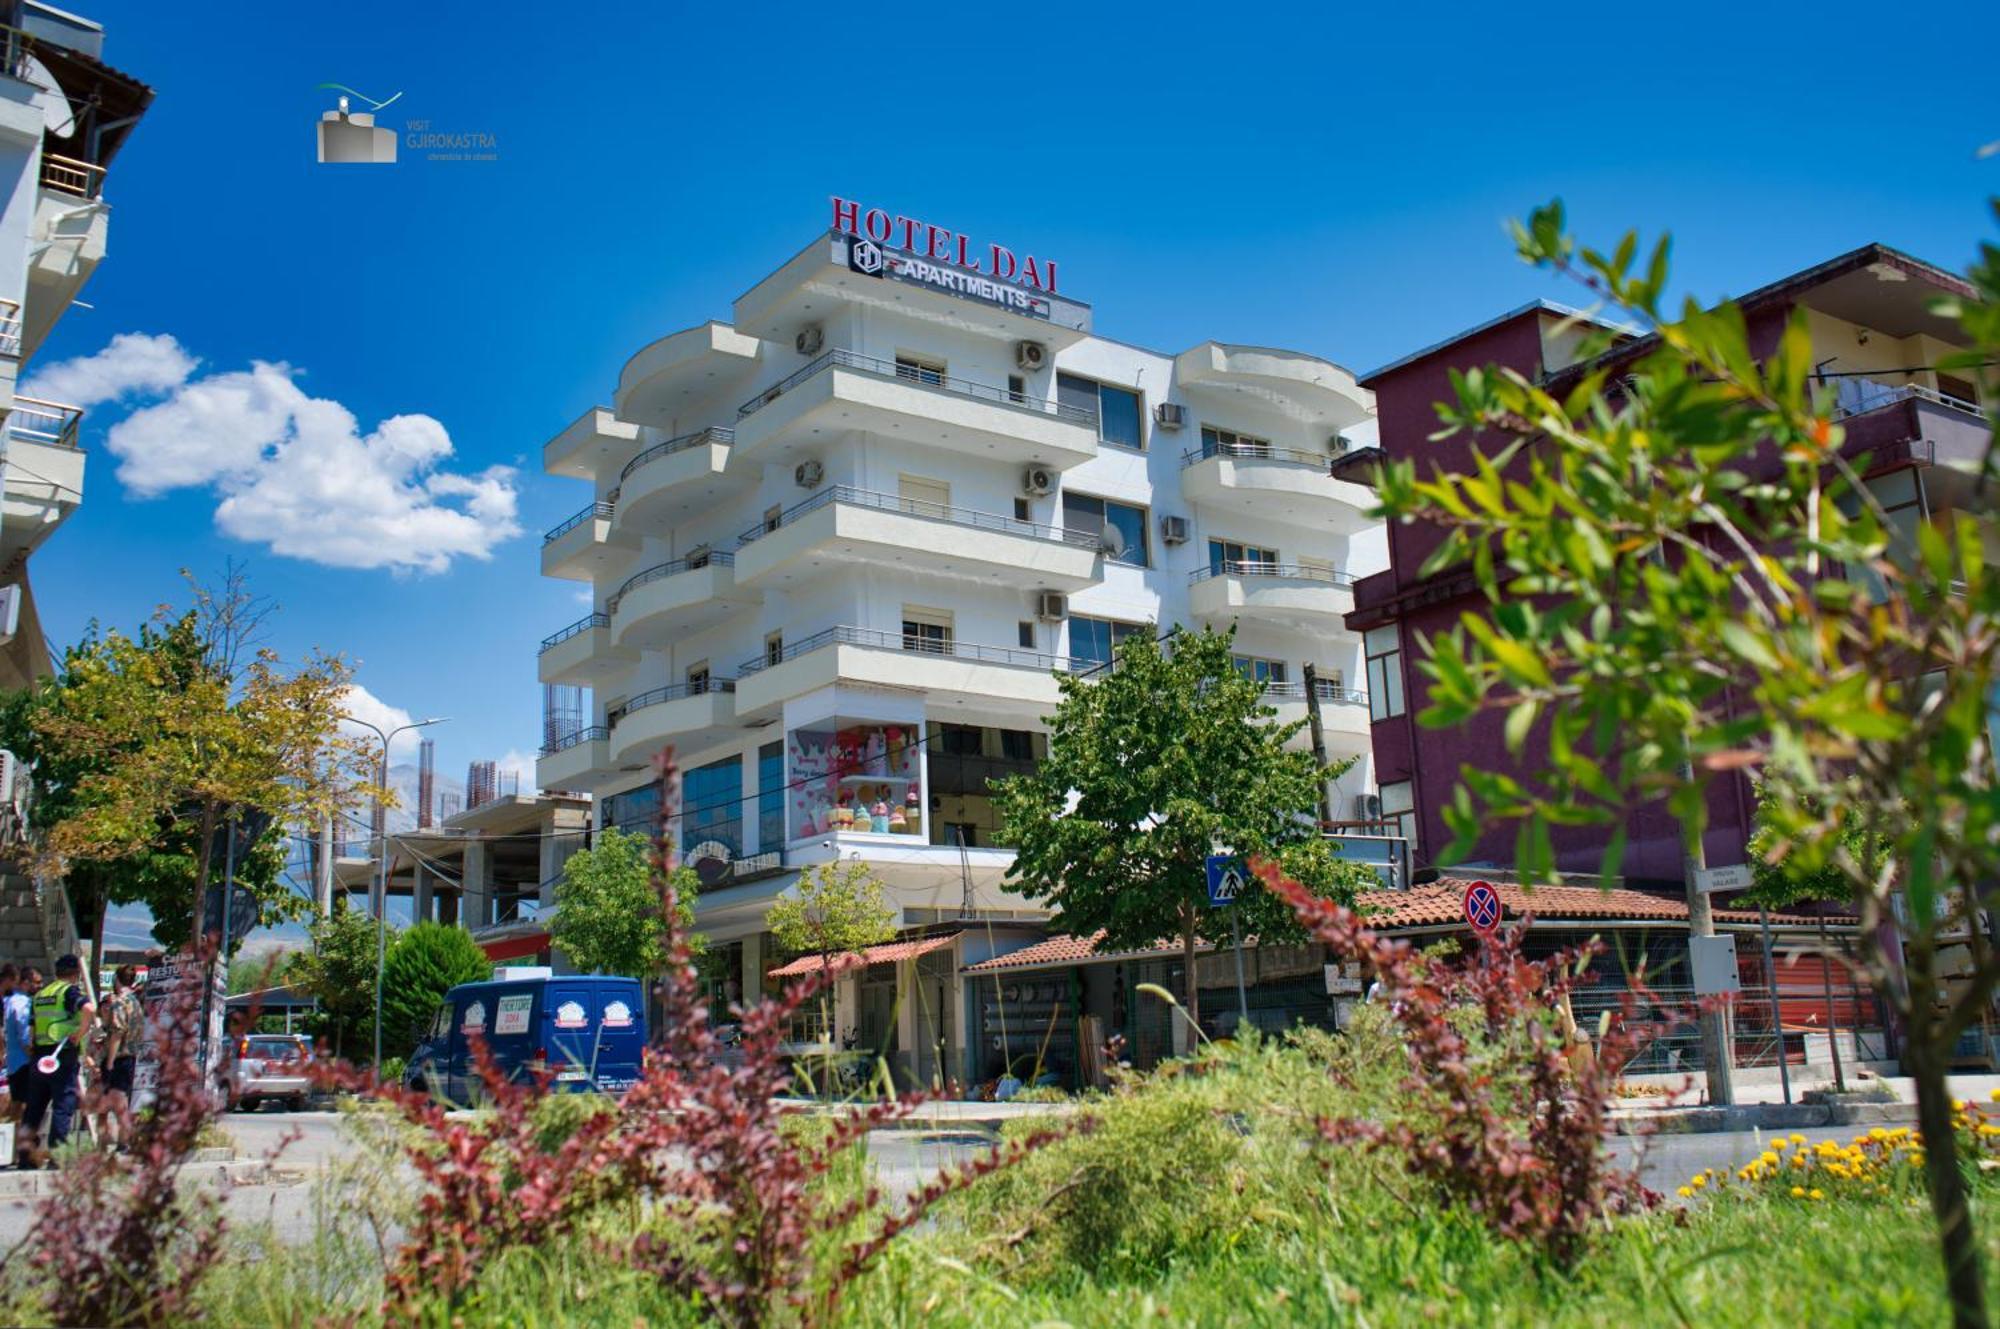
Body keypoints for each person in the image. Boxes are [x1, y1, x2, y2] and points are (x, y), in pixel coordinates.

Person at [21, 954, 94, 1160]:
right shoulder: (68, 991)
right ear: (76, 974)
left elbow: (32, 1030)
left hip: (40, 1056)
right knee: (63, 1104)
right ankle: (58, 1154)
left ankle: (25, 1155)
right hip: (61, 1055)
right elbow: (89, 1008)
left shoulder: (41, 994)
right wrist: (79, 1034)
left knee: (34, 1107)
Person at [90, 965, 141, 1148]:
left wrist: (110, 1061)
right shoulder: (135, 1002)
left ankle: (123, 1140)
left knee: (116, 1101)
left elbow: (117, 1033)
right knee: (111, 1101)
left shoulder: (120, 1002)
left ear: (116, 979)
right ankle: (109, 1140)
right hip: (131, 1056)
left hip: (119, 1057)